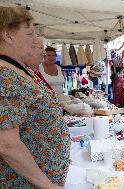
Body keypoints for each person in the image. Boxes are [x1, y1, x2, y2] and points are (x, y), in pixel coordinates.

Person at [0, 6, 70, 188]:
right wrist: (46, 184)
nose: (36, 40)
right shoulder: (4, 75)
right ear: (8, 35)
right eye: (30, 34)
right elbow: (7, 145)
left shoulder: (19, 68)